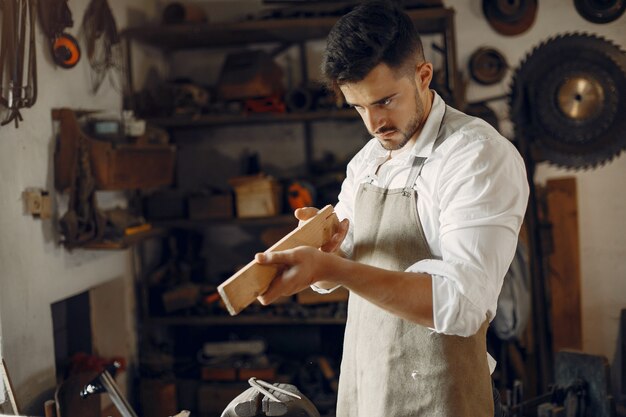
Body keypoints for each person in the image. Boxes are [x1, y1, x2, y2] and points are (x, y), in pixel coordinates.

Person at [254, 1, 529, 416]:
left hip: (440, 396)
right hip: (368, 387)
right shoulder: (367, 162)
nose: (373, 123)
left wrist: (331, 269)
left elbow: (462, 306)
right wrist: (327, 252)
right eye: (358, 107)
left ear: (423, 76)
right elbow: (339, 275)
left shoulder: (475, 156)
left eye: (384, 101)